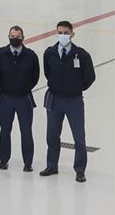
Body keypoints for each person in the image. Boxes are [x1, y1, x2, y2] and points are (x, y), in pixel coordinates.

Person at [41, 20, 95, 182]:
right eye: (60, 33)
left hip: (74, 101)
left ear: (72, 33)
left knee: (79, 137)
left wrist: (76, 88)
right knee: (52, 135)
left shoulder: (82, 55)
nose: (63, 35)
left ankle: (80, 169)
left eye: (66, 33)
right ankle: (52, 165)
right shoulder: (49, 53)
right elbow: (47, 72)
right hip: (55, 99)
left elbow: (90, 77)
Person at [0, 25, 40, 171]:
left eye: (18, 37)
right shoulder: (1, 54)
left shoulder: (30, 55)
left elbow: (35, 76)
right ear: (8, 37)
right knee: (5, 130)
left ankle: (28, 162)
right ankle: (3, 160)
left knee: (26, 130)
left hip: (24, 98)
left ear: (23, 38)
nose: (15, 39)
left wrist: (24, 87)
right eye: (12, 37)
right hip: (6, 98)